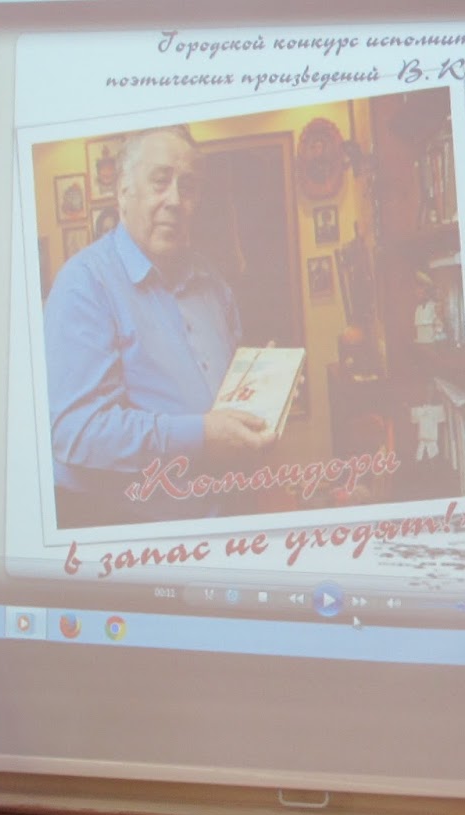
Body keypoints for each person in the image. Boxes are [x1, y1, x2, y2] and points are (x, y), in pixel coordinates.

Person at [44, 124, 275, 528]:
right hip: (130, 530)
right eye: (160, 181)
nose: (175, 200)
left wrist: (264, 386)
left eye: (188, 187)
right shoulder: (84, 284)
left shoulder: (212, 280)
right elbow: (77, 433)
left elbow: (225, 395)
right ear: (123, 192)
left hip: (223, 515)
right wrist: (202, 437)